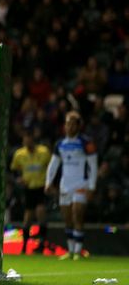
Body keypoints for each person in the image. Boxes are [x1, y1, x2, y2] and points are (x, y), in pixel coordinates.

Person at [45, 111, 98, 260]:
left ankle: (78, 251)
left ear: (78, 126)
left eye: (73, 123)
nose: (69, 126)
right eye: (67, 123)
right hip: (65, 186)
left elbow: (93, 165)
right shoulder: (60, 144)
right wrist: (48, 182)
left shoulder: (86, 143)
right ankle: (70, 249)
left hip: (81, 184)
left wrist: (92, 186)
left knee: (77, 214)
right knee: (67, 218)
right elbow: (53, 164)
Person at [10, 131, 51, 254]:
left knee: (40, 212)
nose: (27, 142)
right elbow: (13, 170)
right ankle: (24, 246)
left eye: (29, 139)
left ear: (33, 139)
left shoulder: (44, 152)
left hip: (41, 187)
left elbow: (52, 168)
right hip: (28, 188)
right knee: (28, 217)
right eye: (24, 140)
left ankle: (42, 243)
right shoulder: (19, 154)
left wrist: (51, 183)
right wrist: (18, 179)